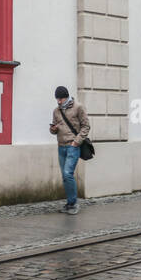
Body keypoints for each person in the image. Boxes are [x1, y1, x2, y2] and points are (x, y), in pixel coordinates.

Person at [49, 86, 89, 215]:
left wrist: (76, 142)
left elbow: (86, 126)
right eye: (57, 99)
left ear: (66, 97)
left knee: (67, 174)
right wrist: (53, 129)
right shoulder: (56, 111)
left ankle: (73, 203)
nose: (59, 101)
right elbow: (53, 130)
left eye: (60, 98)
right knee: (65, 177)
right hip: (61, 147)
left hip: (73, 147)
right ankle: (69, 203)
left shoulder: (78, 107)